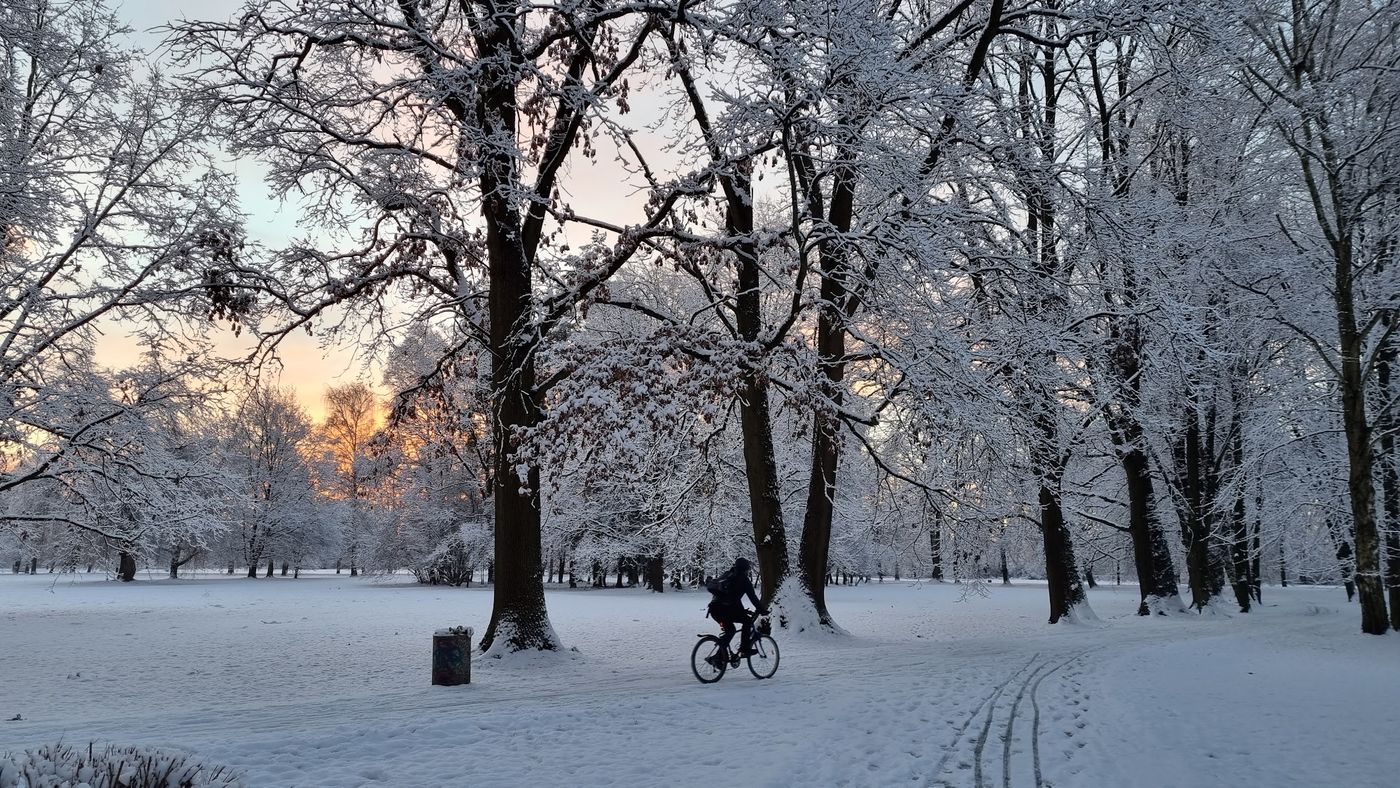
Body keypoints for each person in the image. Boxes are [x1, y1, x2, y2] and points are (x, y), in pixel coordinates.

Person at [706, 557, 769, 664]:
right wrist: (762, 610)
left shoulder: (728, 574)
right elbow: (753, 598)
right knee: (747, 622)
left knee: (729, 631)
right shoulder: (744, 580)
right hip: (726, 610)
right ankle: (744, 649)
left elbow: (730, 597)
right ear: (746, 569)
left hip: (714, 609)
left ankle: (719, 658)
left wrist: (742, 611)